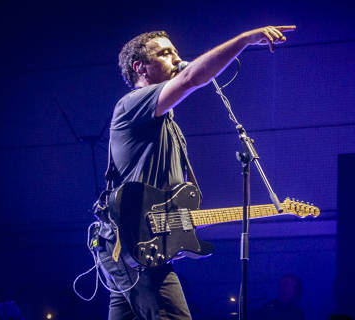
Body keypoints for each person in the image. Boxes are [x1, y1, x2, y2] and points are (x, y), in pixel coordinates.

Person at [95, 25, 296, 320]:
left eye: (176, 51)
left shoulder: (170, 127)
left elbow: (170, 201)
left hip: (139, 249)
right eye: (164, 53)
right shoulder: (132, 104)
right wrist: (244, 39)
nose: (177, 58)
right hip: (137, 247)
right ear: (141, 68)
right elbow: (191, 78)